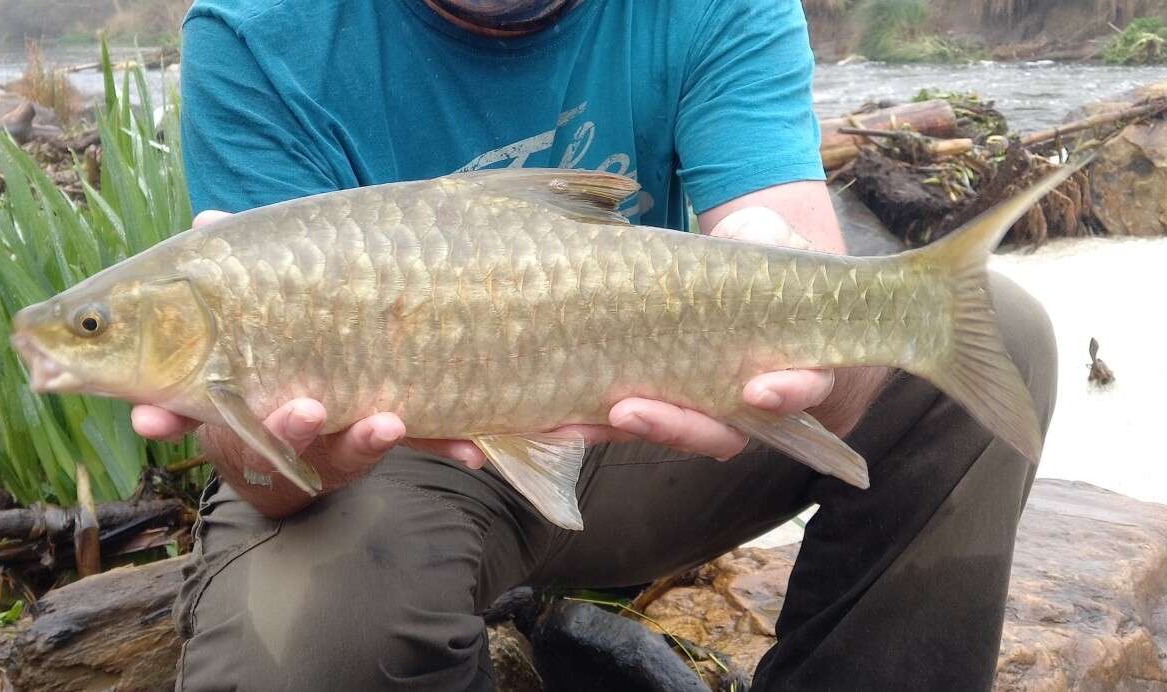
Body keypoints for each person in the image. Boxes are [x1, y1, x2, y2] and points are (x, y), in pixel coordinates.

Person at [138, 1, 1059, 689]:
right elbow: (258, 474)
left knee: (989, 330)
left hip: (638, 411)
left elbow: (785, 235)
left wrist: (782, 309)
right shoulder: (261, 27)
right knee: (303, 655)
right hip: (398, 465)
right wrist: (279, 450)